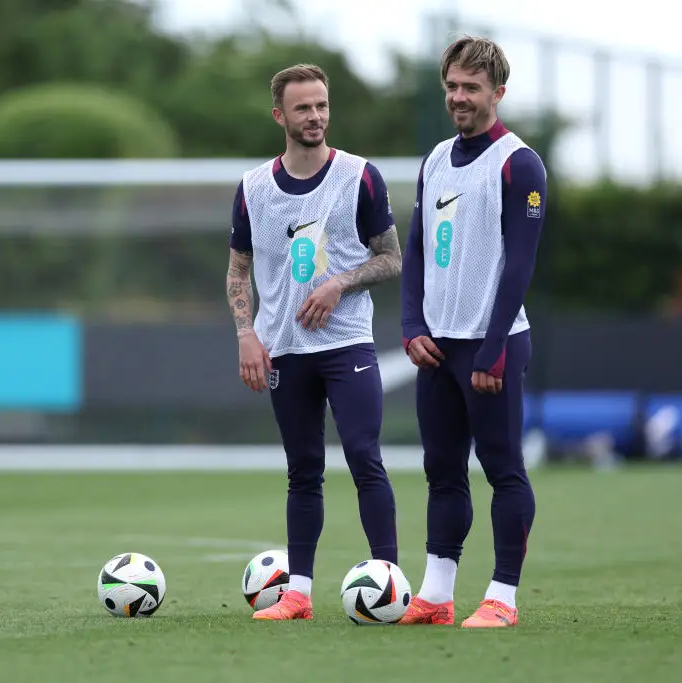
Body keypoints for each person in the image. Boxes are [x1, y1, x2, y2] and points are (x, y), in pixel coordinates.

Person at [225, 63, 403, 621]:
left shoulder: (360, 177)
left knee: (363, 457)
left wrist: (339, 283)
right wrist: (246, 335)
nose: (316, 116)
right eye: (303, 107)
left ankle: (390, 585)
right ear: (280, 115)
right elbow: (237, 270)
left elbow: (392, 257)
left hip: (347, 344)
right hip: (284, 349)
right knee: (302, 469)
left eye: (322, 105)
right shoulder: (254, 188)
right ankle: (297, 595)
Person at [398, 35, 548, 628]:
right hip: (436, 345)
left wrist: (492, 350)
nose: (459, 98)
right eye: (452, 87)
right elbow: (414, 250)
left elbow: (520, 264)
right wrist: (411, 326)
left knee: (503, 467)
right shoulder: (435, 159)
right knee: (442, 469)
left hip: (496, 346)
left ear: (498, 93)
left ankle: (503, 598)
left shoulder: (520, 163)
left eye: (471, 88)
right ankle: (436, 596)